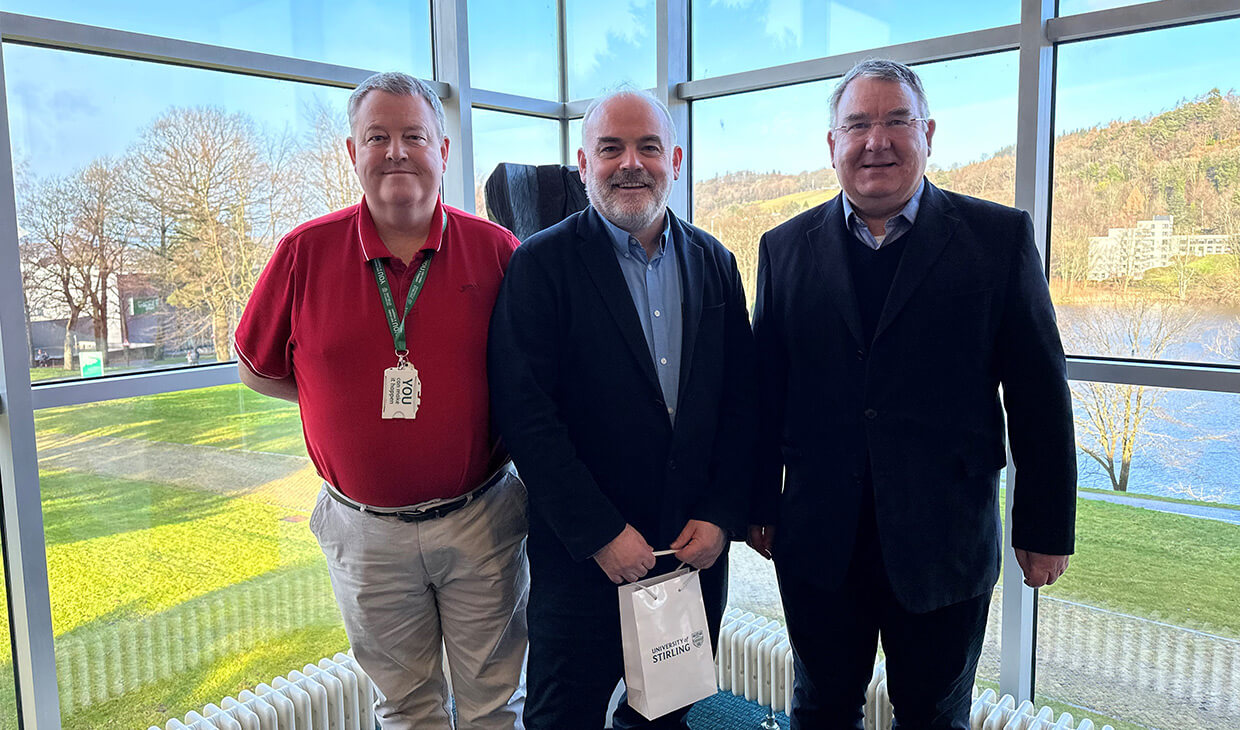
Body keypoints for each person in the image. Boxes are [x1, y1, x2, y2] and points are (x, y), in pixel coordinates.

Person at [747, 59, 1077, 730]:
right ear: (832, 144)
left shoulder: (997, 239)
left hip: (944, 542)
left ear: (928, 132)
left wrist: (1044, 527)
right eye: (858, 124)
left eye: (897, 121)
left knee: (933, 715)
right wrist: (755, 503)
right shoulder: (784, 249)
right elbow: (763, 392)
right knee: (820, 708)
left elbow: (1039, 391)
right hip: (818, 540)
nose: (878, 141)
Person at [234, 72, 527, 730]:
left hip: (481, 521)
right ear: (352, 152)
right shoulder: (301, 254)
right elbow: (256, 369)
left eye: (414, 136)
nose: (396, 151)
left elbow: (536, 379)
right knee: (404, 708)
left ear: (443, 151)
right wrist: (329, 400)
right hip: (365, 536)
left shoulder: (499, 252)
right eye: (378, 137)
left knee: (494, 704)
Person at [488, 87, 755, 729]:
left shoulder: (715, 262)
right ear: (584, 164)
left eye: (648, 147)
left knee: (666, 716)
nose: (630, 163)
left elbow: (743, 405)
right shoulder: (539, 265)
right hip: (584, 560)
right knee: (563, 715)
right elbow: (527, 417)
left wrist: (721, 516)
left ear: (677, 159)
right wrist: (601, 535)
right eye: (610, 149)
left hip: (687, 553)